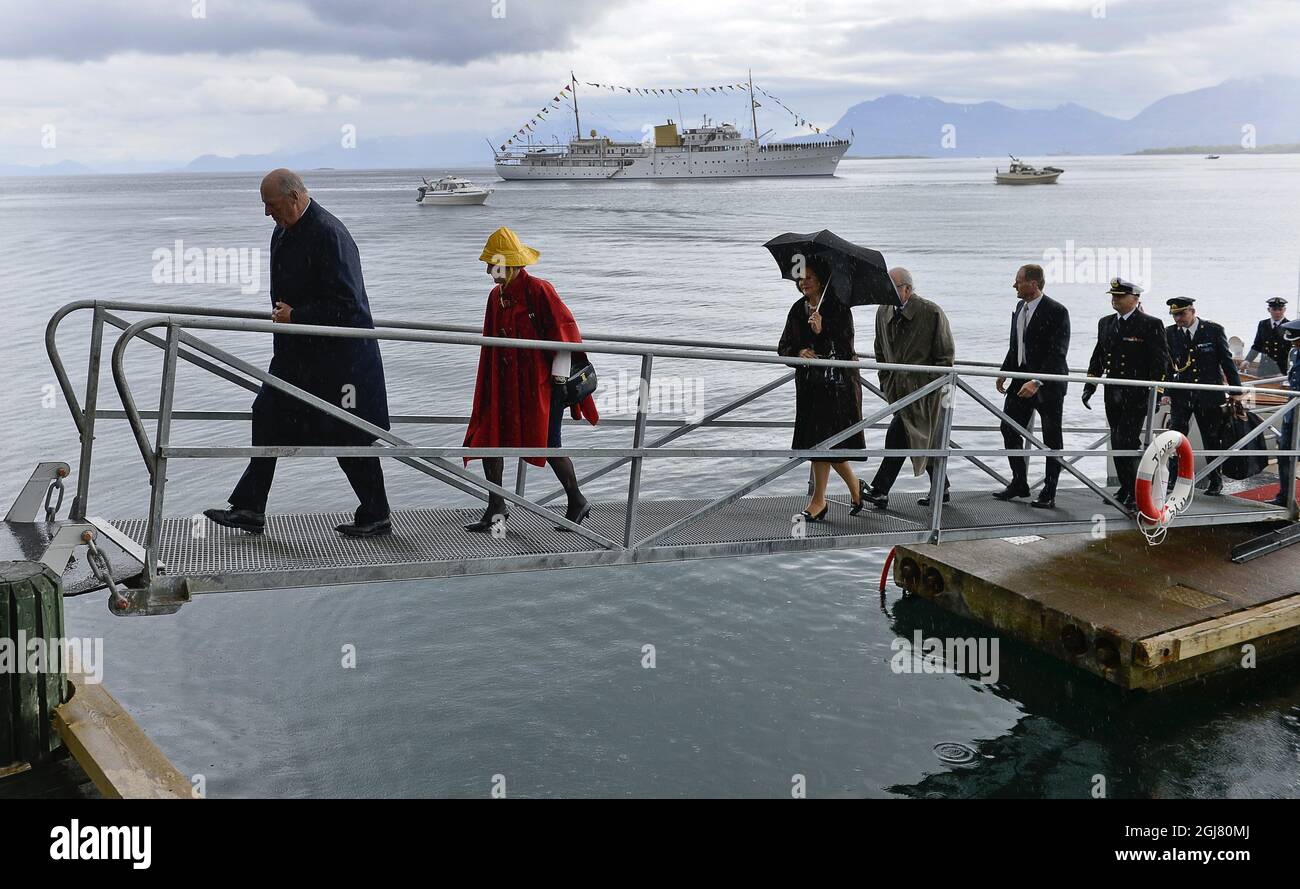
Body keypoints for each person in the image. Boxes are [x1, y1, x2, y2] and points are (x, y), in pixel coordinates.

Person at [204, 169, 392, 538]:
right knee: (268, 413)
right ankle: (249, 508)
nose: (266, 214)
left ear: (293, 197)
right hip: (298, 357)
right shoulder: (283, 230)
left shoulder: (330, 234)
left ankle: (377, 514)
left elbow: (352, 310)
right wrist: (283, 316)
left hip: (342, 362)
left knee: (349, 434)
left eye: (271, 206)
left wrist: (297, 316)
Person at [462, 227, 599, 533]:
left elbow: (565, 334)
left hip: (543, 385)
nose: (487, 270)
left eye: (491, 264)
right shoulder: (496, 297)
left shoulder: (539, 290)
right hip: (506, 384)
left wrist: (559, 382)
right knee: (488, 437)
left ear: (507, 263)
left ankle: (577, 500)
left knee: (548, 444)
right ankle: (497, 505)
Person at [776, 256, 867, 521]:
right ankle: (855, 488)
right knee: (824, 444)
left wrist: (823, 329)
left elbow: (846, 350)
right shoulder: (797, 309)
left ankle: (819, 501)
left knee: (824, 443)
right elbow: (783, 347)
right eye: (801, 278)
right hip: (810, 388)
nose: (804, 282)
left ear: (821, 280)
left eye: (810, 278)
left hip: (838, 387)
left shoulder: (838, 308)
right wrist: (799, 350)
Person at [861, 268, 956, 510]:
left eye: (893, 288)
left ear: (908, 289)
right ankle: (941, 488)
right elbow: (880, 351)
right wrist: (886, 381)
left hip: (925, 393)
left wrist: (930, 386)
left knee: (899, 434)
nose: (887, 293)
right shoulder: (883, 312)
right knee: (921, 439)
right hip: (896, 391)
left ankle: (880, 490)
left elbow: (945, 357)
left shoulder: (931, 312)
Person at [1081, 278, 1169, 510]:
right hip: (1113, 391)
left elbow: (1160, 363)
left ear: (1135, 299)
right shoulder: (1106, 323)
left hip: (1137, 392)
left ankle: (1135, 490)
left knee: (1127, 440)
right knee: (1116, 439)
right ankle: (1125, 486)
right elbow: (1098, 355)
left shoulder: (1150, 324)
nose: (1115, 300)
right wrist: (1090, 385)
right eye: (1113, 296)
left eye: (1120, 296)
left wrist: (1157, 394)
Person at [992, 264, 1070, 508]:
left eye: (1018, 281)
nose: (1014, 285)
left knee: (1051, 437)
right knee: (1008, 427)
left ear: (1033, 284)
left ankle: (1049, 490)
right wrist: (1005, 371)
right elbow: (1016, 344)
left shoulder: (1057, 311)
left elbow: (1058, 352)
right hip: (1019, 379)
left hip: (1049, 384)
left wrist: (1037, 380)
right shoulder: (1019, 307)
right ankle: (1019, 481)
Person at [1162, 297, 1241, 497]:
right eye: (1174, 315)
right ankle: (1173, 479)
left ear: (1192, 311)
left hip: (1209, 394)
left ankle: (1215, 480)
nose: (1178, 318)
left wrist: (1236, 391)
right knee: (1176, 437)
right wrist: (1165, 392)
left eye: (1182, 314)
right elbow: (1168, 365)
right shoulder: (1170, 333)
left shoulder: (1213, 330)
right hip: (1182, 394)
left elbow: (1226, 360)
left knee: (1211, 438)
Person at [1271, 319, 1300, 506]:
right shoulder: (1294, 352)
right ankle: (1285, 497)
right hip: (1292, 412)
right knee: (1285, 453)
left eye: (1296, 340)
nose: (1293, 343)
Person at [1241, 297, 1290, 376]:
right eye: (1274, 309)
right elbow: (1257, 345)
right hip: (1264, 369)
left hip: (1281, 370)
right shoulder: (1263, 324)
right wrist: (1247, 360)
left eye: (1280, 309)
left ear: (1284, 310)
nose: (1277, 312)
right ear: (1269, 310)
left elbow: (1293, 351)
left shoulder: (1289, 326)